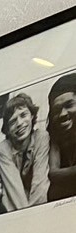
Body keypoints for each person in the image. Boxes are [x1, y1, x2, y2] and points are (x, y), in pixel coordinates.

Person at [0, 92, 49, 210]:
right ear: (7, 129)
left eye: (23, 115)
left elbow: (40, 184)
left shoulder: (41, 137)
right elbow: (15, 192)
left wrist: (37, 213)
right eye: (12, 122)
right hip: (15, 205)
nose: (19, 123)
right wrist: (26, 217)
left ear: (32, 116)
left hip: (35, 203)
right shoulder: (3, 149)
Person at [48, 73, 76, 202]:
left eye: (69, 105)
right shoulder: (55, 138)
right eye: (57, 110)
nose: (62, 114)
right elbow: (53, 173)